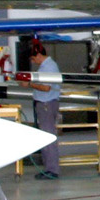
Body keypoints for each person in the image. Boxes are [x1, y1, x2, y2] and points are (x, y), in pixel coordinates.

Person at [30, 39, 62, 180]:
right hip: (45, 103)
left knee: (48, 137)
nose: (34, 61)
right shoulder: (46, 66)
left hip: (46, 104)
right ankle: (49, 167)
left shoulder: (48, 67)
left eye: (33, 58)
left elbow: (46, 87)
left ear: (38, 55)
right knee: (46, 136)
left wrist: (30, 84)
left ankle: (52, 170)